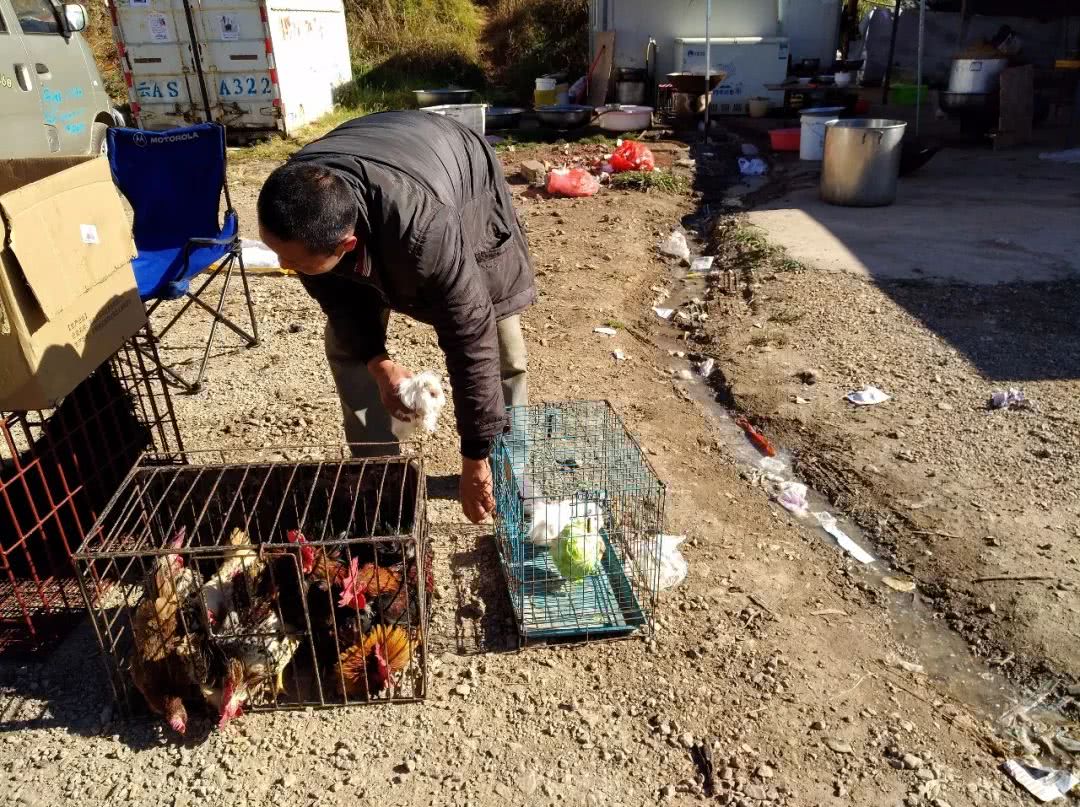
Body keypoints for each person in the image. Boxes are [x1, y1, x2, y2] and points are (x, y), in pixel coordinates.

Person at [257, 112, 535, 524]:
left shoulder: (426, 233)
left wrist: (474, 456)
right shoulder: (300, 200)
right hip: (385, 154)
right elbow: (337, 299)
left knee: (498, 344)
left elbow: (468, 337)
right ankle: (378, 475)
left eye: (293, 260)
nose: (283, 266)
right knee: (346, 346)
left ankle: (506, 468)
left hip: (460, 169)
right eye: (278, 252)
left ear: (347, 244)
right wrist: (378, 363)